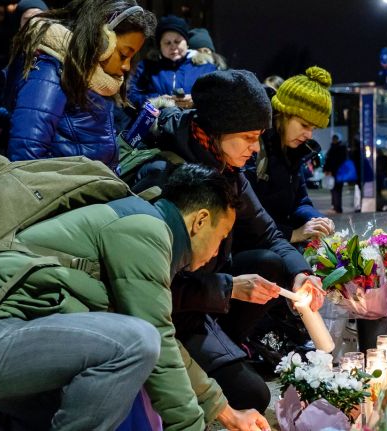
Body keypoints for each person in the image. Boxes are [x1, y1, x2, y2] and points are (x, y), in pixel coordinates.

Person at [0, 164, 269, 431]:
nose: (219, 252)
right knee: (136, 343)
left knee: (101, 408)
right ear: (200, 220)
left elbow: (165, 342)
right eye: (222, 237)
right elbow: (155, 337)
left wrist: (222, 409)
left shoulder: (143, 228)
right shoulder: (145, 229)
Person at [130, 69, 325, 413]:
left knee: (271, 263)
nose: (255, 149)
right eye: (248, 137)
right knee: (253, 397)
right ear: (218, 131)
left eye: (259, 137)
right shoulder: (167, 180)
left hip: (201, 299)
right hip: (164, 316)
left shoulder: (228, 170)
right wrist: (229, 288)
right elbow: (146, 289)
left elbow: (267, 231)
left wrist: (301, 274)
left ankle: (228, 348)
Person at [4, 0, 156, 169]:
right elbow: (25, 156)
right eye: (123, 55)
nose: (126, 66)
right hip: (72, 190)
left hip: (95, 184)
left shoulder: (95, 77)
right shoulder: (51, 72)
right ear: (102, 41)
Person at [245, 66, 335, 246]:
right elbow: (246, 217)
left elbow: (300, 202)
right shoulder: (253, 147)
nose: (309, 135)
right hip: (255, 245)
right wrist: (292, 234)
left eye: (313, 128)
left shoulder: (295, 151)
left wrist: (317, 220)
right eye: (304, 125)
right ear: (283, 114)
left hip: (278, 241)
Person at [128, 15, 217, 110]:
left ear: (186, 43)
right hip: (157, 122)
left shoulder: (205, 67)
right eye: (167, 43)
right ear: (160, 46)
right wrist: (156, 101)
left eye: (177, 41)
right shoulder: (146, 68)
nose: (173, 46)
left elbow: (218, 95)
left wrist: (196, 100)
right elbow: (130, 95)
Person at [323, 134, 349, 213]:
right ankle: (335, 207)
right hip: (335, 173)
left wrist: (329, 170)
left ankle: (337, 208)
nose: (334, 140)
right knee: (334, 190)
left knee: (336, 190)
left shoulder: (338, 148)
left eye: (335, 139)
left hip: (336, 173)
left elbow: (334, 161)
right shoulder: (337, 148)